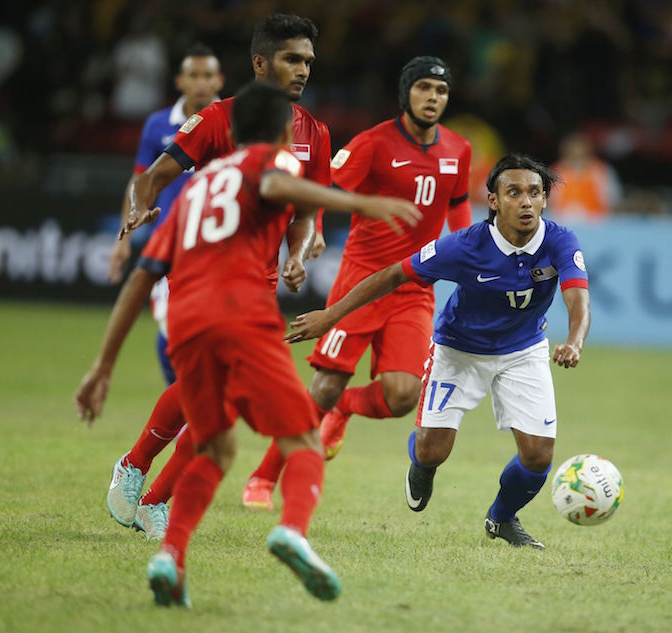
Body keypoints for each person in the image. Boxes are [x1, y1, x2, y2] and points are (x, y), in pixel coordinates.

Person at [74, 81, 421, 606]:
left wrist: (102, 366)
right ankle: (292, 530)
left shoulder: (197, 187)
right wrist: (357, 202)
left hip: (188, 321)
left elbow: (142, 277)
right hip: (243, 313)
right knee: (303, 438)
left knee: (217, 445)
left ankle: (169, 552)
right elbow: (282, 190)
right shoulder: (273, 161)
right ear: (284, 130)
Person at [286, 154, 591, 549]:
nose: (526, 202)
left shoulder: (560, 240)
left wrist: (575, 341)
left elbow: (578, 298)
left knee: (537, 456)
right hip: (458, 350)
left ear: (545, 199)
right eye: (514, 192)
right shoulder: (464, 246)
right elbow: (395, 274)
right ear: (493, 201)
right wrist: (331, 315)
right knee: (433, 449)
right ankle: (422, 464)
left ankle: (501, 519)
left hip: (524, 350)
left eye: (535, 192)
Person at [103, 14, 332, 539]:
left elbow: (304, 216)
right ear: (259, 62)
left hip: (258, 280)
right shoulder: (216, 119)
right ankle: (144, 478)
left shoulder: (314, 134)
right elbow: (153, 176)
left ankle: (144, 480)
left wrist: (297, 254)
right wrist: (141, 208)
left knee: (214, 392)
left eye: (308, 62)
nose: (302, 70)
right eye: (292, 59)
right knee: (218, 388)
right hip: (200, 270)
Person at [241, 55, 474, 510]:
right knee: (324, 385)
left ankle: (345, 409)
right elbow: (327, 189)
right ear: (406, 92)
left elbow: (459, 207)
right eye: (424, 88)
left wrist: (466, 250)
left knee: (404, 397)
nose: (432, 98)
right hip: (360, 283)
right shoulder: (372, 143)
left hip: (412, 289)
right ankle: (263, 478)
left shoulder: (459, 150)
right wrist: (318, 229)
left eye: (441, 91)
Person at [107, 43, 224, 386]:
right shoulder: (158, 125)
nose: (201, 83)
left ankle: (196, 409)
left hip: (220, 242)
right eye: (194, 75)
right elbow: (140, 179)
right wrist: (124, 237)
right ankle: (184, 404)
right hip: (171, 243)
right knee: (172, 328)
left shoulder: (235, 122)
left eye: (208, 75)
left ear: (220, 80)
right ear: (179, 81)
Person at [548, 132, 622, 221]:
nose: (577, 159)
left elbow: (613, 201)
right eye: (573, 154)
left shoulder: (602, 171)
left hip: (597, 222)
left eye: (581, 154)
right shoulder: (555, 172)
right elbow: (547, 202)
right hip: (562, 223)